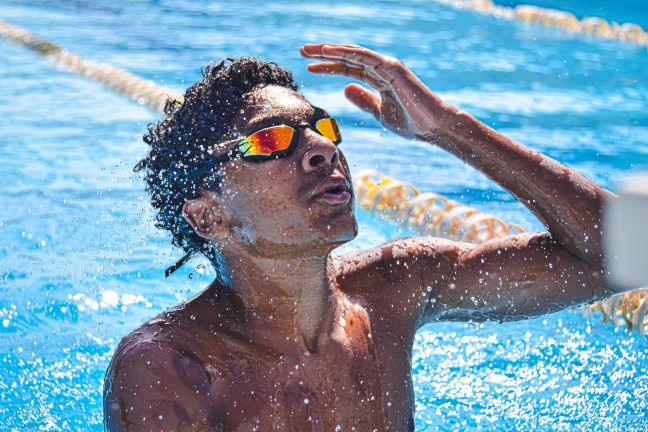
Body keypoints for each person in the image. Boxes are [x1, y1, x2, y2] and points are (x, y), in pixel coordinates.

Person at [103, 43, 616, 431]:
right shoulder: (171, 367)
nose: (320, 149)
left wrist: (446, 127)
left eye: (322, 129)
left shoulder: (395, 288)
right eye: (270, 140)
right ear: (209, 218)